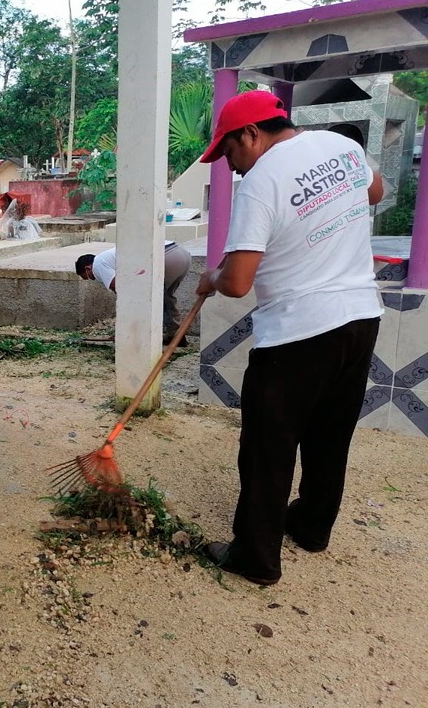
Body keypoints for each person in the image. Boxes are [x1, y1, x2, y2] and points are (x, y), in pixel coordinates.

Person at [195, 90, 384, 585]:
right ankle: (312, 527)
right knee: (329, 436)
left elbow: (237, 284)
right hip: (361, 317)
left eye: (229, 152)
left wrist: (211, 276)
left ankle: (254, 559)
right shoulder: (342, 148)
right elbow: (375, 192)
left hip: (298, 332)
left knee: (268, 448)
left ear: (252, 133)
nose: (231, 168)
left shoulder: (261, 181)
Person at [75, 241, 193, 346]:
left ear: (87, 269)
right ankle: (177, 336)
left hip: (164, 257)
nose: (91, 279)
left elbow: (124, 292)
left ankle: (140, 337)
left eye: (87, 277)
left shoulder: (98, 265)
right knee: (166, 298)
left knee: (146, 299)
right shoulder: (108, 258)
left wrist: (122, 332)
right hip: (180, 254)